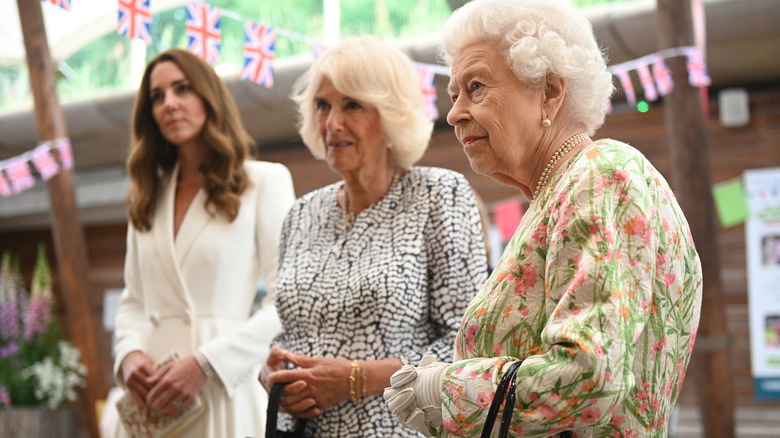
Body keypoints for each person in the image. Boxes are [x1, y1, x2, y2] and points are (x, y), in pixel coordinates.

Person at [383, 0, 704, 436]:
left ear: (550, 91)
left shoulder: (599, 173)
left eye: (475, 86)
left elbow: (587, 375)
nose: (454, 112)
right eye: (453, 94)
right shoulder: (561, 192)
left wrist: (446, 389)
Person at [259, 36, 489, 437]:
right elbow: (290, 330)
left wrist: (354, 378)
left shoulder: (439, 195)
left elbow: (469, 346)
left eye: (352, 105)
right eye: (322, 106)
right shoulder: (300, 214)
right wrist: (274, 373)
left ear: (390, 112)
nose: (332, 123)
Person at [113, 48, 295, 438]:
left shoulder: (264, 181)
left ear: (209, 97)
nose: (169, 104)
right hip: (152, 400)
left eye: (182, 89)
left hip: (223, 389)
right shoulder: (146, 196)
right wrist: (127, 356)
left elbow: (287, 301)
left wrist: (207, 364)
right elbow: (133, 302)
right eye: (157, 97)